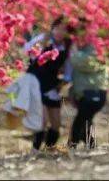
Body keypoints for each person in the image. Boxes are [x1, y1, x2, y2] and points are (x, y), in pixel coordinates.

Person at [22, 16, 73, 151]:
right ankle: (35, 150)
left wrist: (65, 80)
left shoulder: (66, 47)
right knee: (42, 121)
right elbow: (27, 50)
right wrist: (39, 49)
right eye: (57, 28)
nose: (59, 32)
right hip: (36, 83)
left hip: (51, 85)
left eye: (63, 30)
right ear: (53, 28)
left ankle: (49, 150)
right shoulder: (44, 39)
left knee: (56, 124)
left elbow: (68, 68)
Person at [67, 18, 109, 148]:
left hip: (94, 92)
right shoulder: (83, 47)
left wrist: (73, 51)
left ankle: (72, 147)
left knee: (80, 122)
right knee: (85, 121)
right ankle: (91, 146)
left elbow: (86, 63)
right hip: (83, 92)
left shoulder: (95, 46)